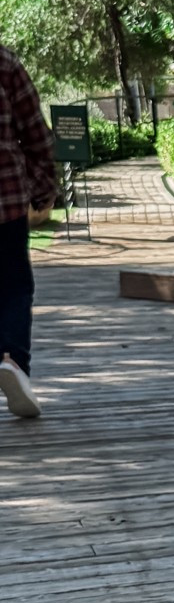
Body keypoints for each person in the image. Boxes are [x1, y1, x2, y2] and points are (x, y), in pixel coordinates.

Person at [0, 45, 57, 420]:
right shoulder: (4, 62)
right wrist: (42, 187)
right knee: (14, 289)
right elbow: (37, 135)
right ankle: (14, 364)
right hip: (5, 203)